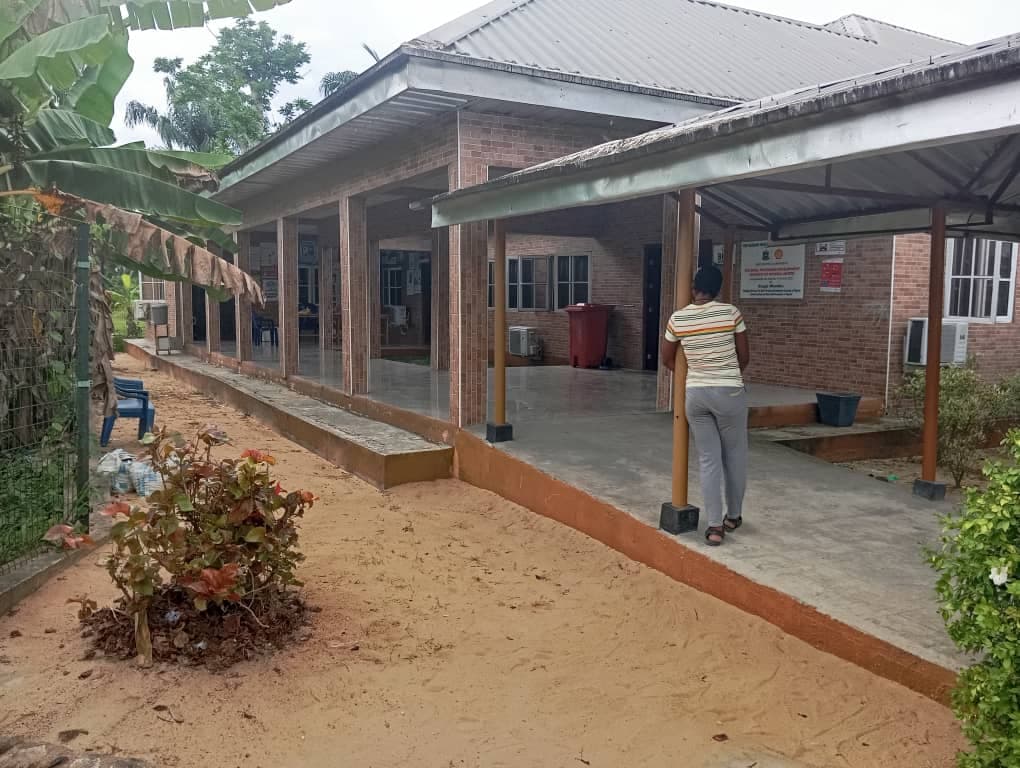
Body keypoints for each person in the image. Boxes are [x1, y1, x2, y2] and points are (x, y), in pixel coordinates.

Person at [661, 265, 750, 546]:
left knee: (708, 459)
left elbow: (667, 359)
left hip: (696, 395)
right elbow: (744, 356)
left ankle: (713, 527)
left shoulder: (678, 319)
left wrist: (697, 373)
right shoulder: (730, 313)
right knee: (734, 455)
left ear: (693, 287)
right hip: (729, 392)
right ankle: (732, 516)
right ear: (718, 290)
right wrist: (724, 374)